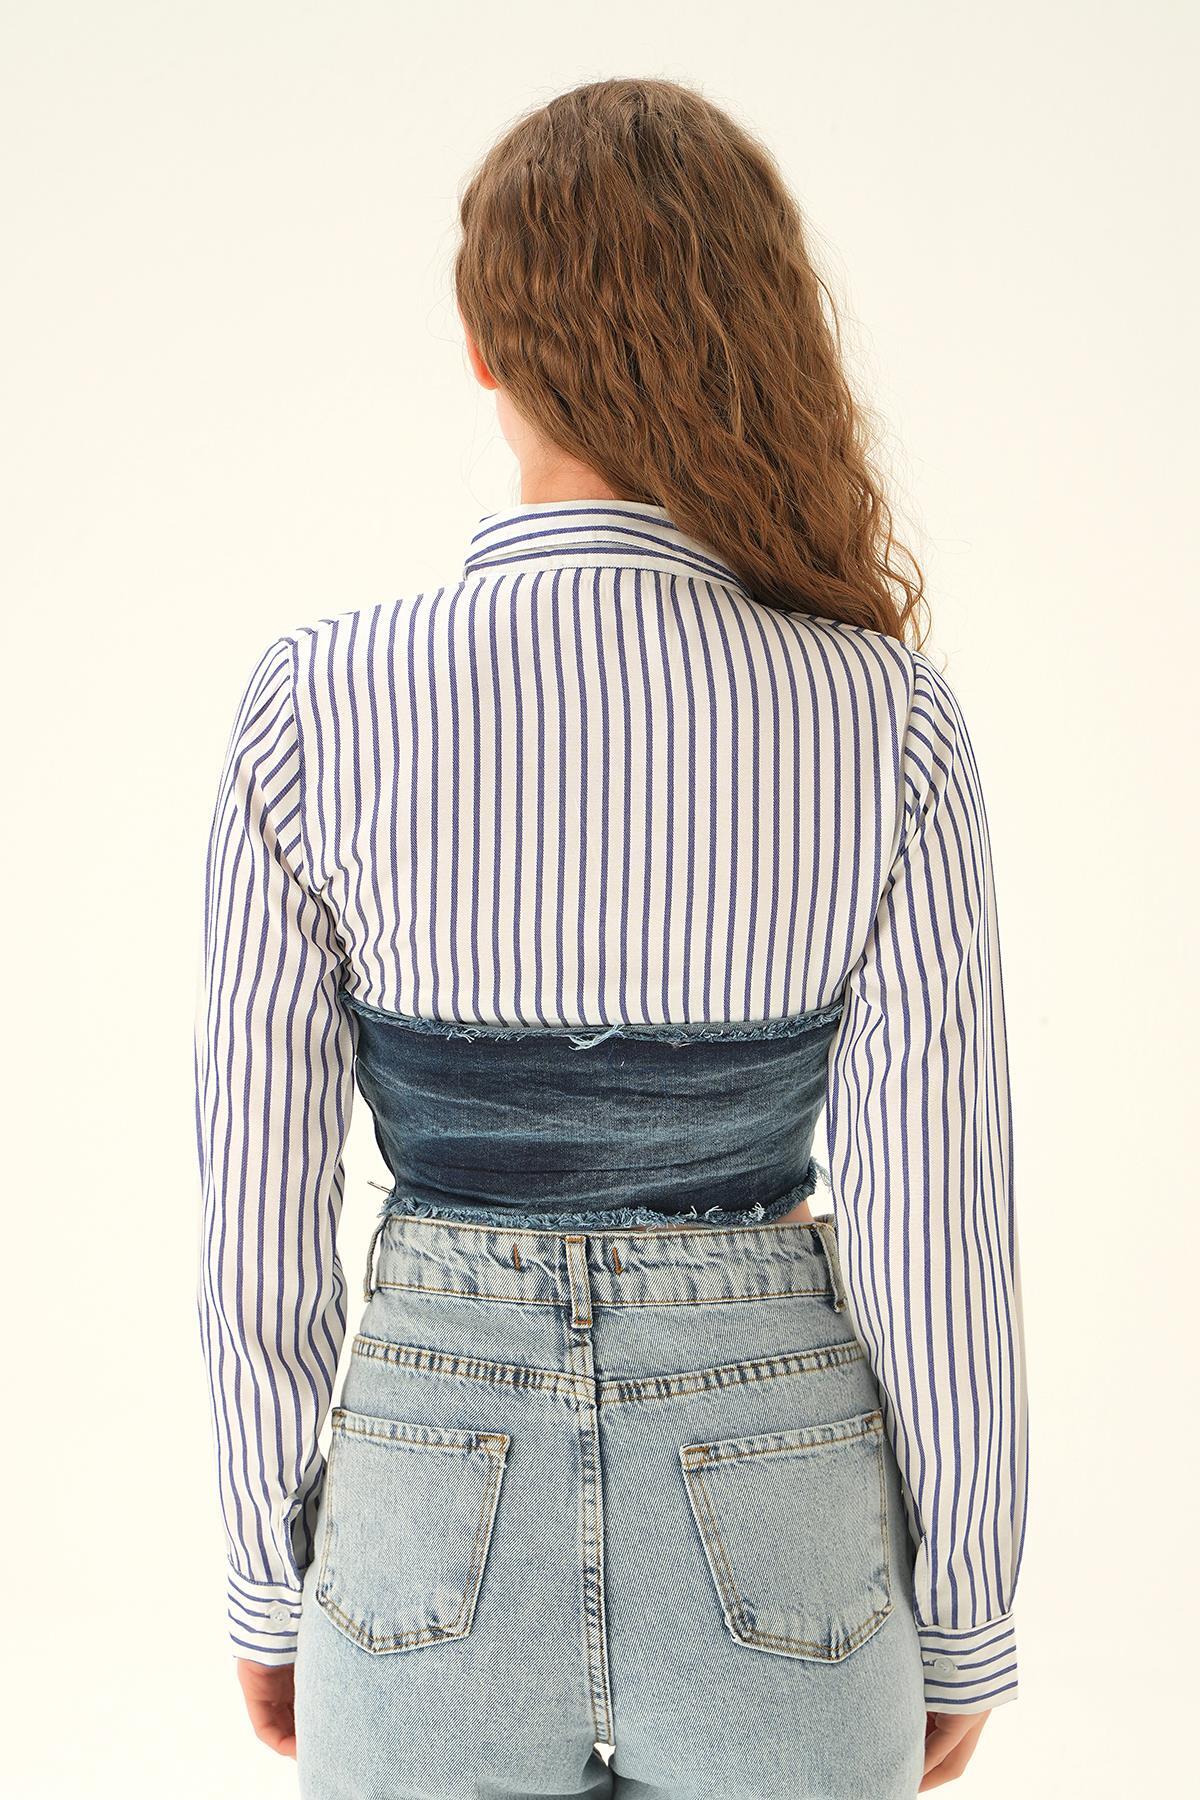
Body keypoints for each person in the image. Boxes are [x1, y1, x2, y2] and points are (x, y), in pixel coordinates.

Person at [194, 76, 1028, 1799]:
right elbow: (937, 1223)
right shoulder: (887, 721)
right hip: (780, 1504)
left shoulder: (314, 705)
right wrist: (966, 1614)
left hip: (425, 1504)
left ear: (483, 349)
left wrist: (274, 1583)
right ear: (758, 332)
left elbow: (254, 1218)